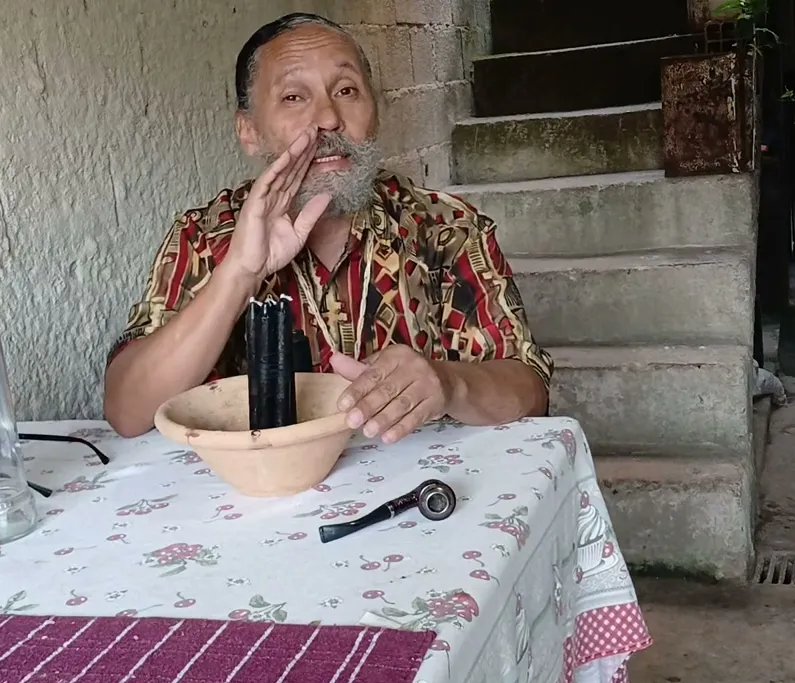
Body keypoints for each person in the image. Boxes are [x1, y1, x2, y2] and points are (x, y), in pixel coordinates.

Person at [103, 12, 552, 442]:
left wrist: (450, 383)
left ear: (375, 112)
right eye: (293, 97)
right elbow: (127, 410)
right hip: (259, 488)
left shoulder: (444, 227)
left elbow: (530, 391)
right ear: (249, 131)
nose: (329, 119)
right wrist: (239, 274)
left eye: (347, 90)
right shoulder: (205, 236)